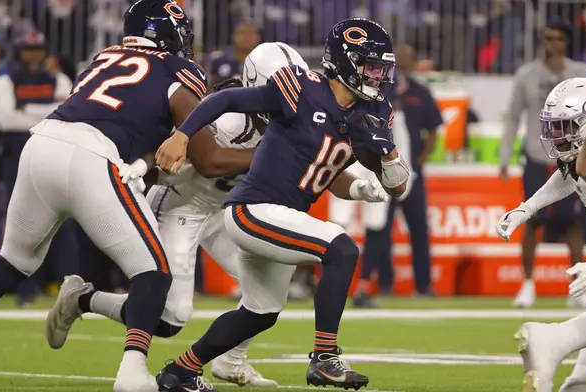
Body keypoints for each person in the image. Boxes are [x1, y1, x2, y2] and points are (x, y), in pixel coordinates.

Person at [0, 1, 252, 392]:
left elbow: (128, 120)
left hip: (41, 145)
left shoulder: (102, 58)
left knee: (11, 263)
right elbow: (207, 160)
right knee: (153, 272)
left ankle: (98, 321)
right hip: (92, 157)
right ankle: (132, 372)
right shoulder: (179, 70)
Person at [154, 18, 409, 392]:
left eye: (380, 68)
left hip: (281, 215)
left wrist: (386, 151)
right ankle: (325, 357)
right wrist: (182, 135)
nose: (377, 76)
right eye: (370, 67)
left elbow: (397, 186)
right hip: (253, 208)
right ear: (344, 62)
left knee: (261, 312)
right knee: (341, 248)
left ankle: (180, 372)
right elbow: (225, 98)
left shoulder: (373, 112)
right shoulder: (300, 88)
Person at [47, 41, 311, 389]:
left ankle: (231, 361)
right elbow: (205, 160)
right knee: (171, 318)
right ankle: (82, 299)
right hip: (179, 202)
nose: (294, 98)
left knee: (273, 277)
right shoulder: (228, 116)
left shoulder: (292, 118)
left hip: (224, 208)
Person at [495, 77, 586, 390]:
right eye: (555, 128)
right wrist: (527, 208)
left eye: (565, 127)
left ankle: (570, 367)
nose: (556, 138)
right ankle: (558, 348)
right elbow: (568, 177)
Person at [498, 20, 586, 308]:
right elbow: (513, 115)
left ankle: (577, 288)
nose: (553, 43)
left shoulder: (580, 73)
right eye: (548, 38)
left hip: (575, 156)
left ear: (566, 42)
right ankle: (527, 284)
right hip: (538, 155)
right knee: (531, 220)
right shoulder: (526, 74)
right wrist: (504, 156)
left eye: (558, 38)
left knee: (573, 222)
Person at [0, 31, 80, 306]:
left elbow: (69, 114)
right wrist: (49, 111)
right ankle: (26, 289)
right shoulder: (7, 80)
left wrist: (24, 108)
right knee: (20, 223)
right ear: (19, 51)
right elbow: (5, 120)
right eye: (28, 49)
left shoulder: (58, 79)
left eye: (38, 49)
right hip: (17, 157)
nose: (33, 54)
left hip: (54, 154)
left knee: (64, 223)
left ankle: (71, 288)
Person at [353, 43, 441, 307]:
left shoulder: (420, 92)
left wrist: (420, 159)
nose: (402, 64)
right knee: (378, 226)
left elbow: (435, 127)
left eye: (406, 59)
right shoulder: (375, 91)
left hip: (411, 170)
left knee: (418, 229)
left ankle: (423, 285)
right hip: (382, 169)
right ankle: (379, 283)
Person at [206, 21, 261, 90]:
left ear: (258, 37)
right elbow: (208, 88)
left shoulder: (266, 63)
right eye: (242, 33)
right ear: (233, 36)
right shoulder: (218, 60)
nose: (246, 37)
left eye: (251, 34)